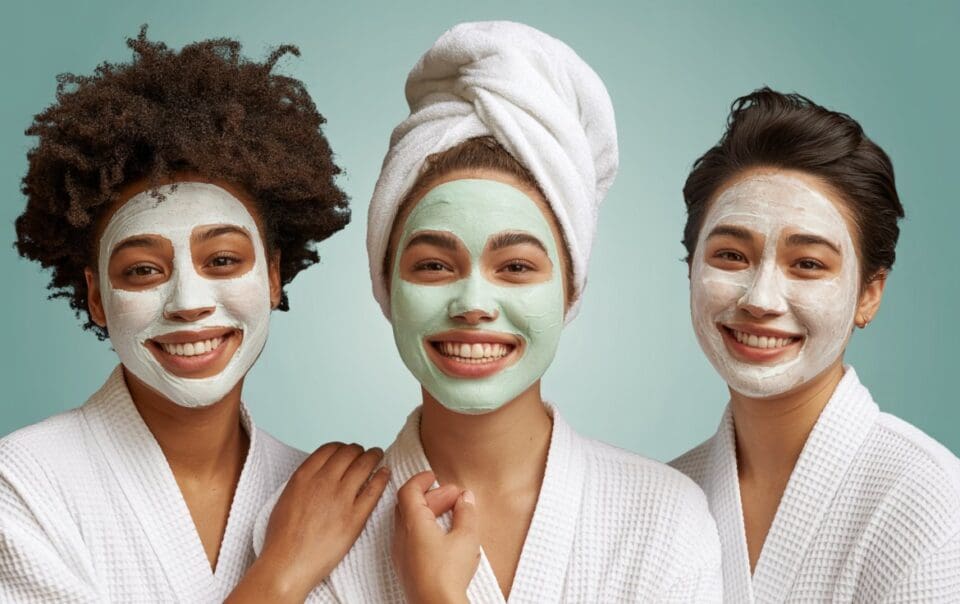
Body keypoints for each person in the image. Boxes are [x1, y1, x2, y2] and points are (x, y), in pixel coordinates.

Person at [256, 21, 722, 603]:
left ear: (570, 289)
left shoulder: (665, 519)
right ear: (385, 286)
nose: (473, 304)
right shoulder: (313, 532)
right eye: (433, 266)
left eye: (517, 267)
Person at [2, 28, 387, 602]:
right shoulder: (23, 486)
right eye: (143, 270)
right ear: (97, 296)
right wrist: (282, 572)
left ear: (274, 274)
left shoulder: (331, 496)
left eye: (224, 259)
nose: (188, 302)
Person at [671, 88, 960, 602]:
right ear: (690, 270)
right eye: (731, 255)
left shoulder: (929, 499)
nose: (760, 299)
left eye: (807, 264)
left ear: (869, 294)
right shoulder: (667, 495)